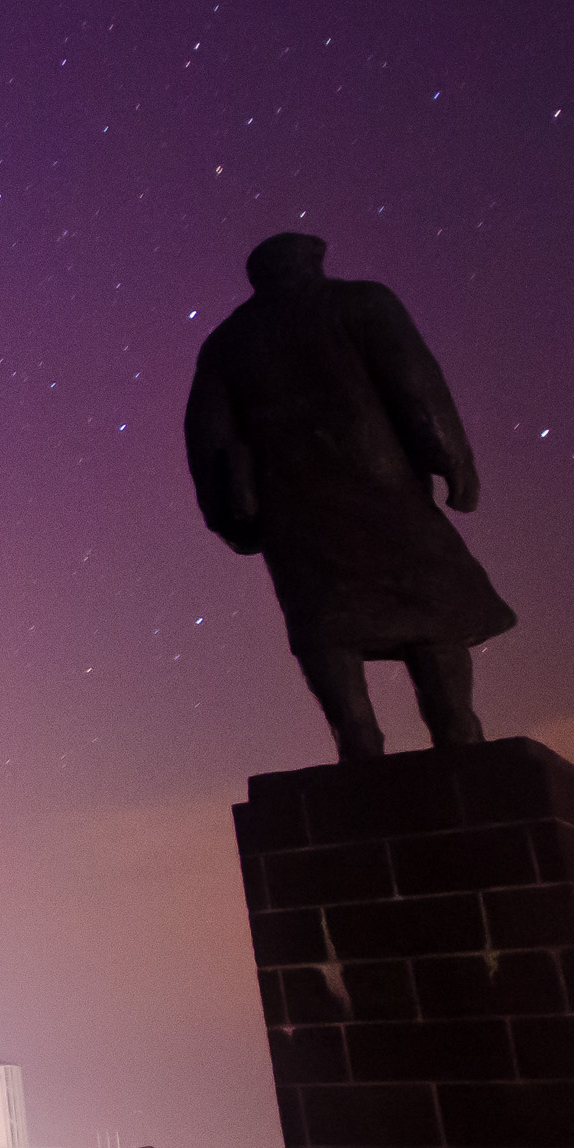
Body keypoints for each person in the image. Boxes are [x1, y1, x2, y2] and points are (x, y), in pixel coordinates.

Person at [183, 233, 515, 759]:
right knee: (426, 610)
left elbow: (209, 446)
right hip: (379, 485)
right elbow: (415, 384)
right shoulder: (361, 302)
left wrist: (229, 518)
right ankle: (456, 731)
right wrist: (453, 460)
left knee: (324, 625)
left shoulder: (227, 342)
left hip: (293, 507)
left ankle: (358, 740)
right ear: (313, 260)